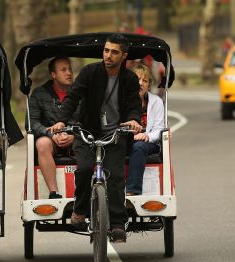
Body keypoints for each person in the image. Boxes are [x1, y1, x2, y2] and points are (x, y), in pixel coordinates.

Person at [51, 34, 143, 242]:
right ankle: (80, 210)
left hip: (115, 133)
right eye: (106, 50)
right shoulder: (89, 72)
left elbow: (134, 106)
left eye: (114, 52)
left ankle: (119, 224)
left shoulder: (129, 79)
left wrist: (134, 120)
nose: (108, 55)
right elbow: (73, 97)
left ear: (124, 56)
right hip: (87, 131)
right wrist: (61, 120)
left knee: (116, 176)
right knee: (83, 169)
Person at [28, 56, 77, 199]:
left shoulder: (79, 92)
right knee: (42, 143)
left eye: (70, 69)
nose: (69, 73)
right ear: (53, 74)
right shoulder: (39, 94)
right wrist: (50, 134)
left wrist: (73, 135)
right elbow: (31, 123)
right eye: (63, 70)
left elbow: (86, 120)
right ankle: (54, 193)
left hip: (75, 138)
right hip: (50, 139)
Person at [126, 64, 165, 196]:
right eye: (137, 79)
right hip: (125, 140)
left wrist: (146, 136)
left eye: (145, 80)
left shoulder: (156, 102)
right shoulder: (122, 101)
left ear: (149, 85)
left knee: (139, 147)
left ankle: (132, 190)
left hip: (148, 143)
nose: (140, 83)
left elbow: (159, 129)